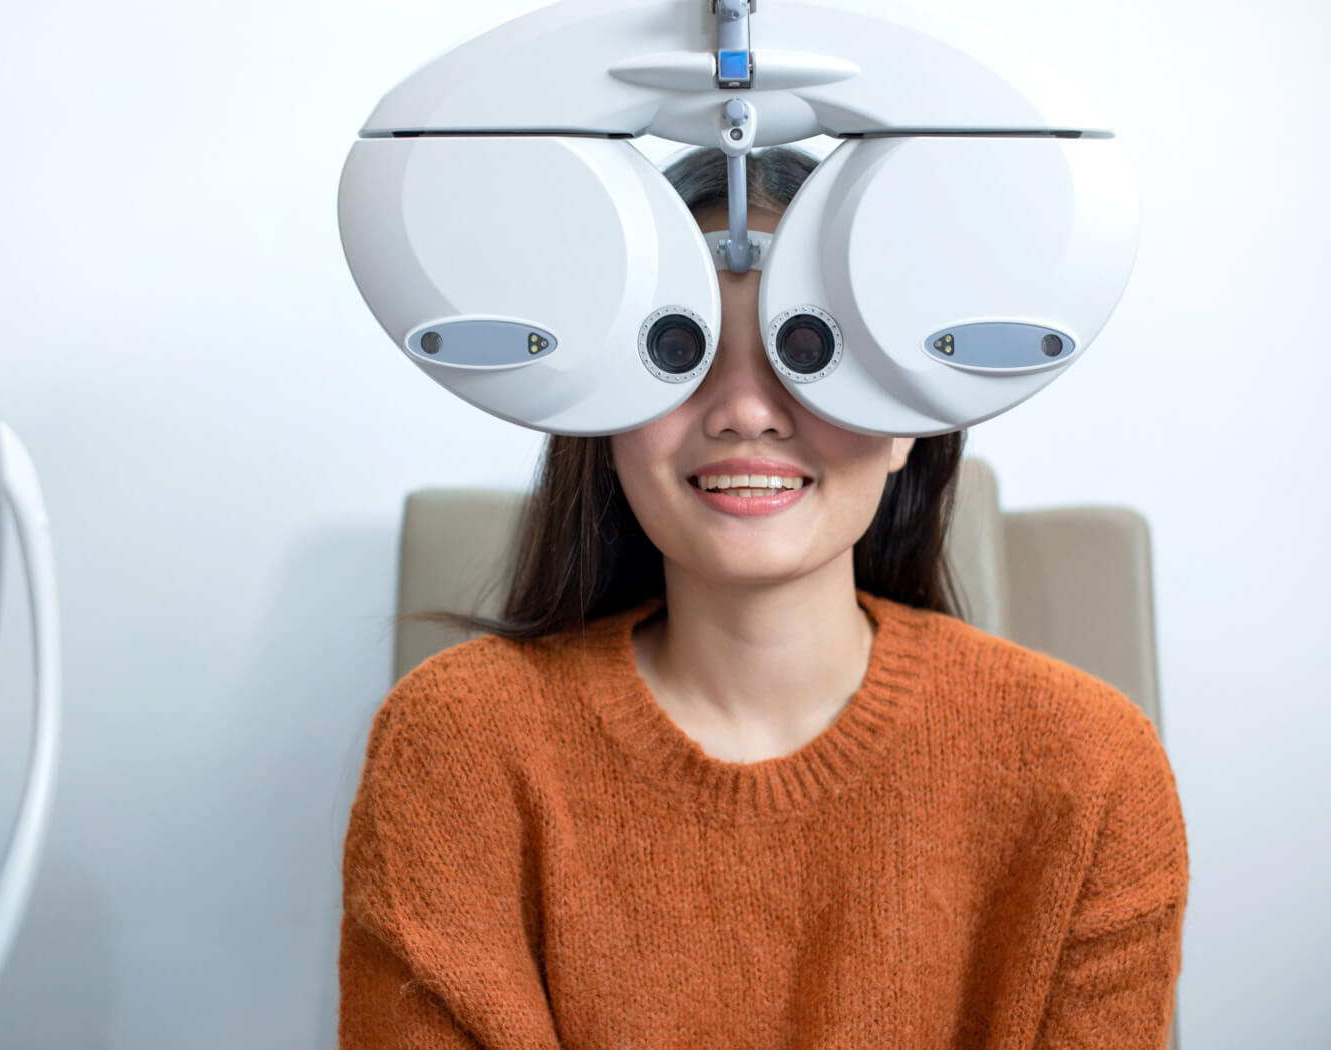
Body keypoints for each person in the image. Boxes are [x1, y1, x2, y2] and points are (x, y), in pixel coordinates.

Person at [338, 146, 1188, 1049]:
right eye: (679, 353)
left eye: (810, 353)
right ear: (601, 411)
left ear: (909, 421)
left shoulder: (1090, 768)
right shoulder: (457, 743)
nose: (747, 410)